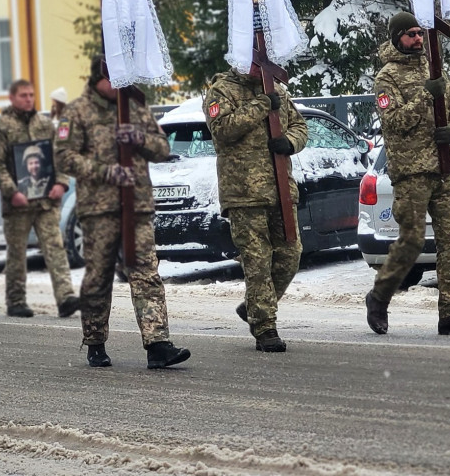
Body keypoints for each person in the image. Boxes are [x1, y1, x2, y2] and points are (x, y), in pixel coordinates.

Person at [55, 57, 190, 369]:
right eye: (114, 79)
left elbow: (163, 148)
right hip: (99, 209)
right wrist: (105, 172)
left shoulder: (134, 108)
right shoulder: (77, 112)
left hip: (137, 206)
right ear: (99, 78)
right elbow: (64, 157)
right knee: (99, 277)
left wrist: (139, 138)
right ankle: (95, 341)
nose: (120, 84)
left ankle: (158, 345)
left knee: (146, 274)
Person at [365, 11, 450, 336]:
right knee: (412, 242)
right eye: (410, 34)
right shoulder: (386, 78)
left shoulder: (435, 70)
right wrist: (424, 95)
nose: (418, 39)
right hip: (411, 173)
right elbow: (395, 122)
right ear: (397, 38)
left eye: (420, 33)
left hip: (443, 170)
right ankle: (378, 297)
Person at [202, 67, 308, 353]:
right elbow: (222, 130)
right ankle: (265, 327)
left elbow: (300, 126)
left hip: (281, 189)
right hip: (244, 193)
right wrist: (261, 104)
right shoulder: (221, 89)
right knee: (258, 261)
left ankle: (254, 306)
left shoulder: (278, 91)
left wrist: (290, 142)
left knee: (290, 255)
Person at [0, 79, 79, 319]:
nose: (28, 99)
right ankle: (16, 300)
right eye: (23, 95)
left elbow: (60, 155)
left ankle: (66, 297)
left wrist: (61, 182)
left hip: (46, 201)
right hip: (18, 204)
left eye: (31, 95)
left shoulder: (45, 124)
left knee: (55, 247)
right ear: (12, 98)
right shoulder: (1, 127)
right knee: (17, 252)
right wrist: (11, 191)